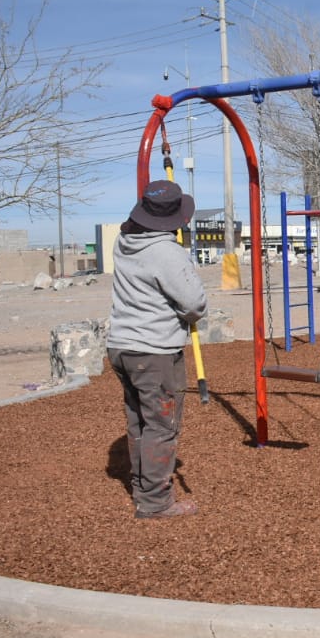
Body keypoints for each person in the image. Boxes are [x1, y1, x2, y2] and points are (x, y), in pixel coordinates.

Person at [107, 179, 207, 520]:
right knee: (162, 425)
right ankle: (155, 502)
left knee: (140, 421)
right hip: (153, 350)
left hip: (122, 346)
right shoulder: (167, 252)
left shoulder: (123, 241)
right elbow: (194, 303)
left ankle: (143, 487)